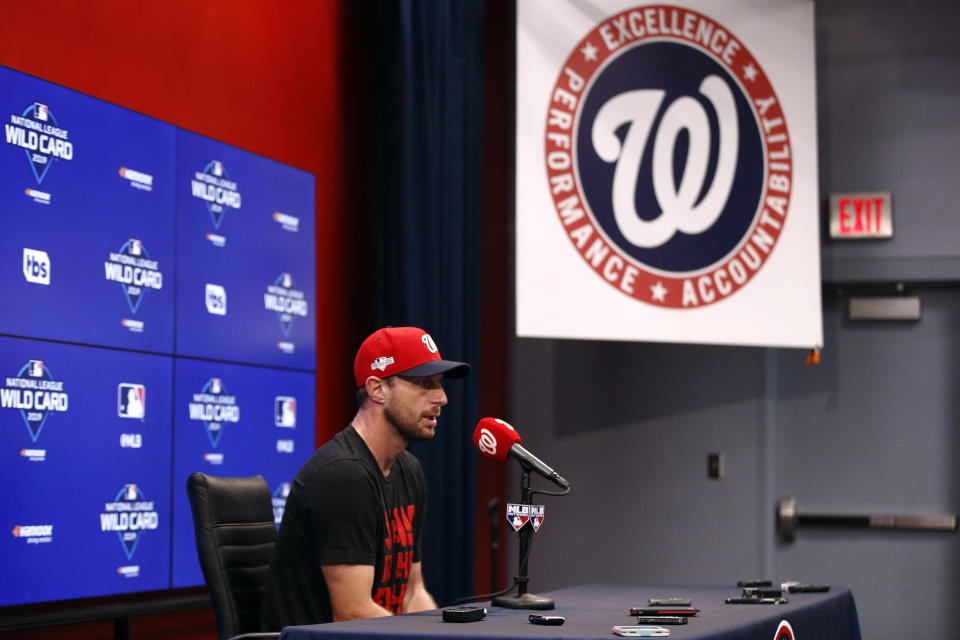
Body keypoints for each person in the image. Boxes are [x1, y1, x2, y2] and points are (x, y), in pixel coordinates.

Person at [261, 326, 470, 628]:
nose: (442, 398)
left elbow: (413, 592)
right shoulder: (343, 477)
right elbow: (352, 613)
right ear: (377, 389)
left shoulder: (408, 471)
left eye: (439, 384)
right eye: (425, 384)